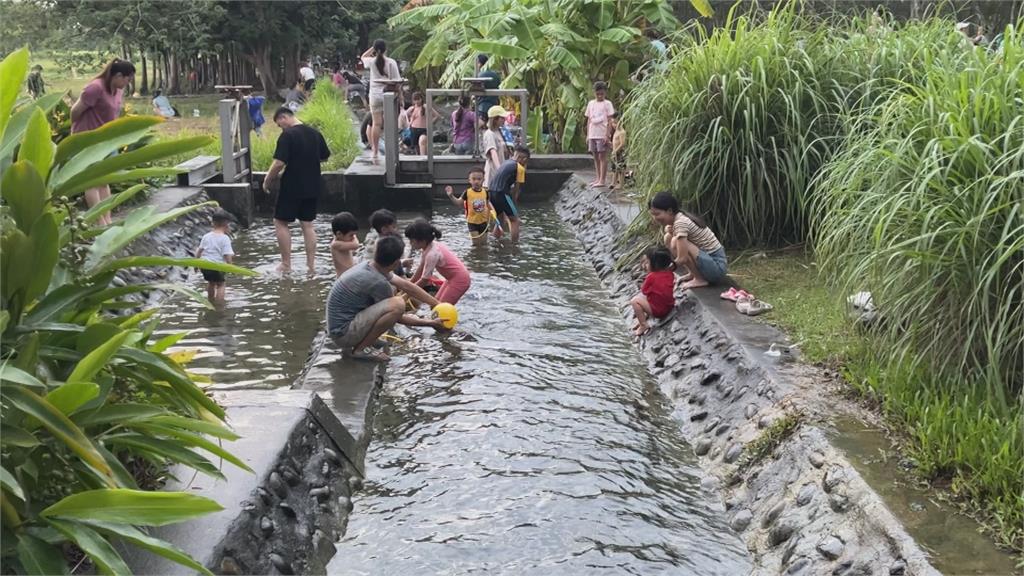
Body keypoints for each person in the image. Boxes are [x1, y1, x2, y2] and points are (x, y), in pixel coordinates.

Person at [326, 235, 445, 362]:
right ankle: (361, 349)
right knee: (398, 304)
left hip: (339, 328)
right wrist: (430, 323)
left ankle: (368, 340)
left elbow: (406, 286)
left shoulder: (370, 266)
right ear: (396, 263)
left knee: (394, 297)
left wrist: (436, 303)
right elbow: (397, 317)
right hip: (343, 335)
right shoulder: (378, 282)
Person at [263, 107, 330, 274]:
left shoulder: (288, 135)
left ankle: (286, 264)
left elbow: (279, 162)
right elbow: (325, 156)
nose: (281, 128)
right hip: (313, 183)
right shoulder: (314, 133)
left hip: (292, 185)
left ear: (284, 117)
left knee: (280, 222)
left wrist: (267, 179)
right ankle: (311, 266)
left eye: (280, 124)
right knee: (307, 224)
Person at [71, 58, 135, 227]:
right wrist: (80, 134)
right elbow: (75, 112)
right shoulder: (95, 88)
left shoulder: (118, 90)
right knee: (92, 181)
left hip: (108, 141)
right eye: (128, 79)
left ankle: (107, 219)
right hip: (89, 140)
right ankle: (99, 221)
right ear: (118, 75)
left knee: (105, 181)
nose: (128, 83)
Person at [648, 192, 728, 289]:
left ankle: (699, 279)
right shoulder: (678, 218)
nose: (655, 218)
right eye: (653, 214)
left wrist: (663, 272)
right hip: (709, 262)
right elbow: (668, 230)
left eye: (657, 214)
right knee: (668, 237)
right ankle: (693, 274)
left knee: (674, 241)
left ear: (669, 211)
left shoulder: (680, 223)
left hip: (717, 268)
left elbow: (682, 258)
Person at [405, 219, 472, 305]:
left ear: (422, 241)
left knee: (441, 308)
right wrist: (408, 285)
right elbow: (420, 269)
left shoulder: (432, 254)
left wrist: (408, 292)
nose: (410, 243)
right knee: (434, 304)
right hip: (451, 278)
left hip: (460, 280)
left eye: (412, 240)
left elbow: (425, 280)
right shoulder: (428, 247)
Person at [362, 39, 401, 160]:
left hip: (374, 95)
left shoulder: (371, 61)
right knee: (389, 123)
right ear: (386, 49)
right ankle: (392, 150)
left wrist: (373, 48)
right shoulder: (391, 62)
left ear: (375, 50)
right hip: (388, 95)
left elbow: (363, 56)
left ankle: (374, 150)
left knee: (376, 123)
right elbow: (397, 81)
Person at [445, 167, 501, 244]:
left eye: (479, 179)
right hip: (472, 223)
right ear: (469, 180)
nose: (476, 181)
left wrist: (493, 212)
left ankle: (481, 255)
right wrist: (451, 196)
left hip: (484, 222)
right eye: (474, 179)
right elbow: (458, 202)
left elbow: (488, 203)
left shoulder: (485, 192)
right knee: (476, 244)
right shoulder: (467, 192)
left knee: (484, 244)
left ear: (483, 180)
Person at [487, 145, 529, 242]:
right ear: (524, 159)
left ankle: (495, 242)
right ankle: (515, 245)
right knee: (514, 220)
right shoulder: (520, 168)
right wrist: (514, 203)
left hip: (491, 192)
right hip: (502, 193)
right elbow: (516, 189)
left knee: (500, 219)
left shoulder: (505, 163)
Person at [630, 246, 675, 336]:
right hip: (669, 305)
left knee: (635, 301)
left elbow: (644, 291)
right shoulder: (670, 273)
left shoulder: (651, 277)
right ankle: (644, 317)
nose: (645, 265)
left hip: (659, 311)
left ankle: (644, 325)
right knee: (646, 297)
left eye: (647, 263)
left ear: (655, 265)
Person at [195, 209, 235, 302]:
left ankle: (210, 300)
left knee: (211, 283)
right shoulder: (225, 239)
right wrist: (231, 267)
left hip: (205, 265)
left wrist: (195, 265)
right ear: (227, 224)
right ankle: (219, 304)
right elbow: (227, 255)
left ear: (212, 223)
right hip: (218, 266)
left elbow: (199, 251)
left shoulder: (206, 236)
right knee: (221, 285)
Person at [585, 80, 615, 188]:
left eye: (601, 94)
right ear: (594, 93)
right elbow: (589, 120)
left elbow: (610, 120)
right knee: (595, 156)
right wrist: (588, 135)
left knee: (602, 156)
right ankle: (597, 178)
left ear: (605, 93)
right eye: (597, 94)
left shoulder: (607, 104)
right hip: (593, 133)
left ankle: (602, 180)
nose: (599, 96)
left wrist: (607, 135)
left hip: (602, 134)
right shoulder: (591, 104)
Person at [481, 105, 508, 188]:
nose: (504, 120)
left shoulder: (500, 131)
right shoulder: (489, 134)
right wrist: (499, 169)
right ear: (495, 119)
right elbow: (493, 151)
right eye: (502, 118)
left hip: (503, 166)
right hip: (494, 170)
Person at [474, 54, 501, 128]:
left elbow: (476, 89)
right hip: (494, 105)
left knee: (481, 127)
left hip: (482, 106)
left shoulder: (480, 76)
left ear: (479, 63)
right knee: (492, 127)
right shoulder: (495, 75)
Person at [331, 212, 360, 277]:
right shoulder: (336, 245)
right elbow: (356, 245)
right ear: (339, 234)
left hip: (348, 276)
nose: (353, 237)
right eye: (351, 235)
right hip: (343, 278)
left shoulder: (342, 240)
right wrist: (355, 237)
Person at [610, 113, 628, 190]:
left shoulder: (622, 132)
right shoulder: (616, 131)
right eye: (613, 123)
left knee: (621, 168)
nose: (614, 125)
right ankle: (613, 182)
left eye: (615, 123)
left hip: (620, 152)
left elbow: (622, 143)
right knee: (614, 168)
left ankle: (621, 184)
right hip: (615, 152)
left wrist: (616, 151)